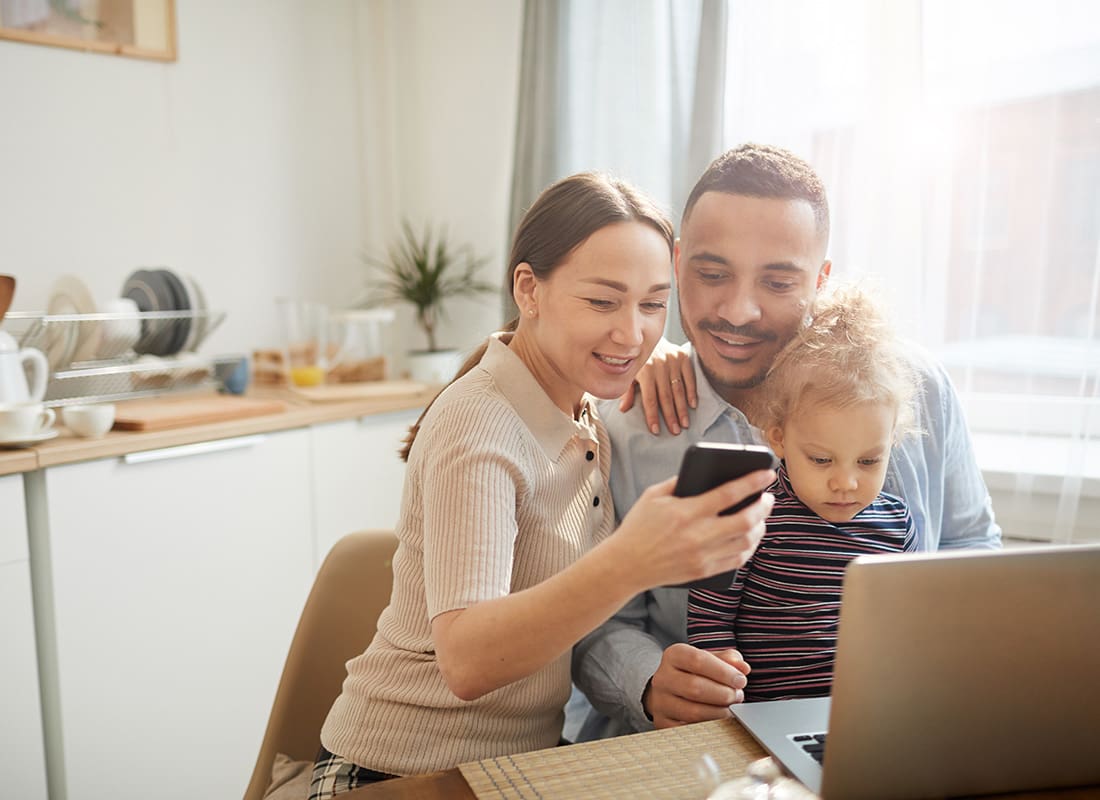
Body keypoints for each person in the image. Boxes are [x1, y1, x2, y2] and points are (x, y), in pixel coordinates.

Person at [309, 172, 776, 798]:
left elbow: (630, 336)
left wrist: (660, 350)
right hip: (397, 773)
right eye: (602, 302)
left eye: (653, 304)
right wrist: (632, 560)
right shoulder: (479, 423)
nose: (631, 332)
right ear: (529, 289)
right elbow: (468, 662)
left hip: (516, 767)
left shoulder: (581, 411)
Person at [571, 143, 1001, 739]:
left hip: (879, 731)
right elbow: (594, 623)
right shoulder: (622, 423)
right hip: (686, 749)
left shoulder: (915, 388)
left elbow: (970, 544)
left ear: (821, 280)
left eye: (777, 281)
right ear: (676, 263)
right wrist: (647, 681)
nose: (739, 311)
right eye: (712, 274)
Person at [687, 283, 920, 701]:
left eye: (868, 462)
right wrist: (719, 672)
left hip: (856, 714)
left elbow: (905, 625)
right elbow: (710, 616)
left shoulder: (897, 526)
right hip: (760, 714)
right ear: (778, 438)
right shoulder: (751, 514)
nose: (846, 483)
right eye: (821, 460)